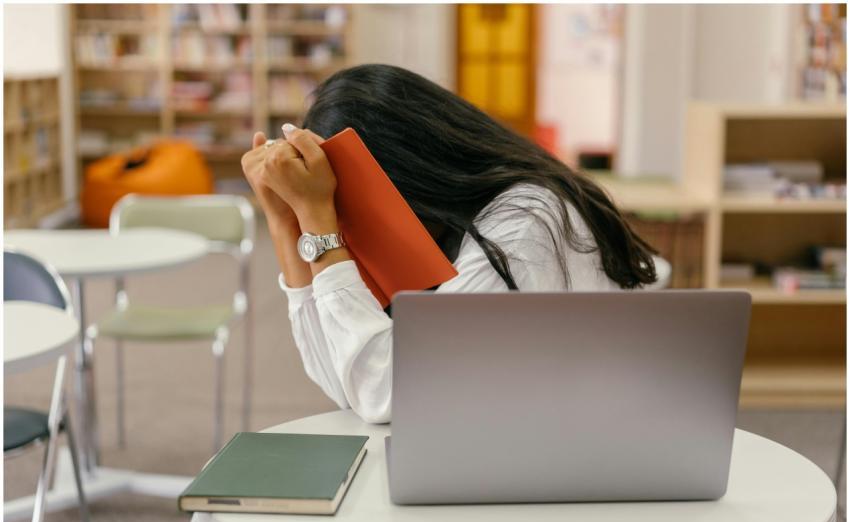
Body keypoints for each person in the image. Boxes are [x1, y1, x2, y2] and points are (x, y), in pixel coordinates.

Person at [240, 63, 657, 425]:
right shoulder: (459, 226)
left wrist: (317, 221)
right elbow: (347, 387)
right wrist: (284, 221)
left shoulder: (525, 221)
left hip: (565, 466)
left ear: (404, 172)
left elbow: (385, 392)